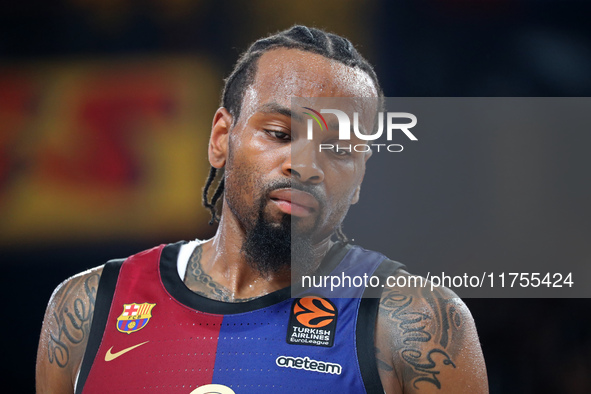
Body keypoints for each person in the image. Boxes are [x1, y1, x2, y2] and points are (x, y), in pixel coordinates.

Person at [36, 25, 488, 394]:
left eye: (339, 149)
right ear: (220, 139)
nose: (307, 165)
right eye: (278, 133)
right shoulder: (88, 306)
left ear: (360, 178)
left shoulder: (417, 321)